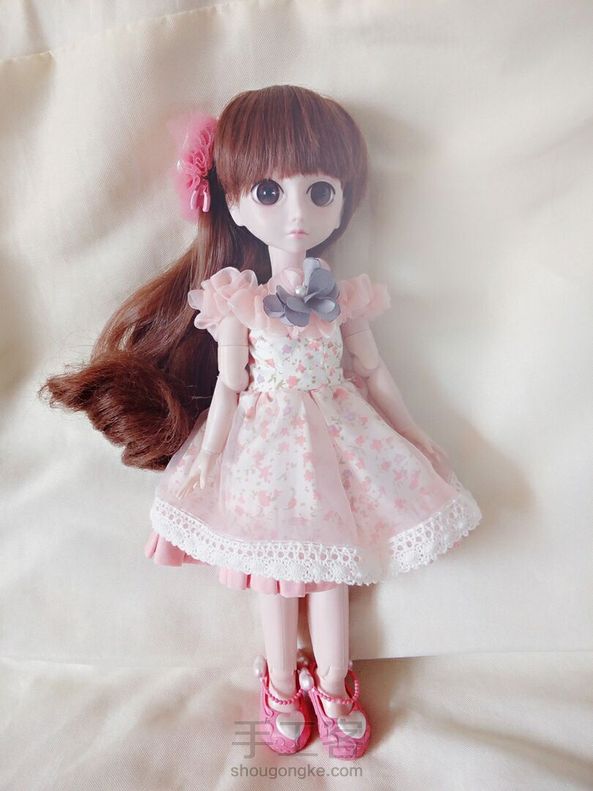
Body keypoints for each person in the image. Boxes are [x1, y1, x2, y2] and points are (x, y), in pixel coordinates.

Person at [42, 84, 482, 760]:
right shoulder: (239, 302)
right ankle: (280, 685)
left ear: (344, 197)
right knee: (273, 580)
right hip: (264, 452)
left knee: (330, 575)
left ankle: (333, 686)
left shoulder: (343, 299)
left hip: (337, 444)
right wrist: (208, 455)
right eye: (270, 192)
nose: (298, 212)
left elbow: (372, 373)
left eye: (320, 191)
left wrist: (412, 432)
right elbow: (230, 384)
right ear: (233, 200)